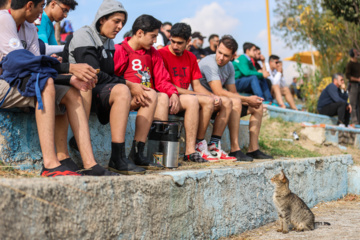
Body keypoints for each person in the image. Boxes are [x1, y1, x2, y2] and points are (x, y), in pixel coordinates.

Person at [0, 0, 116, 176]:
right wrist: (68, 68)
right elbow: (19, 62)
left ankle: (90, 164)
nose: (41, 13)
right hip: (4, 83)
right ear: (29, 5)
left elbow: (37, 66)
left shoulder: (30, 28)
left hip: (17, 81)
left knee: (71, 92)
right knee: (45, 83)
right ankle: (50, 165)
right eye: (40, 7)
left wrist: (69, 80)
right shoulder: (3, 19)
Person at [64, 0, 159, 174]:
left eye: (122, 23)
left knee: (150, 94)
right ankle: (117, 157)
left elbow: (110, 75)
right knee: (123, 90)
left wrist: (134, 87)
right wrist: (129, 84)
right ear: (102, 19)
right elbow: (93, 74)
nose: (120, 26)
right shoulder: (84, 35)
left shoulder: (108, 41)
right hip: (81, 93)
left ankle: (137, 153)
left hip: (99, 93)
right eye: (116, 21)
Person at [114, 15, 207, 163]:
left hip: (148, 99)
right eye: (153, 36)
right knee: (154, 95)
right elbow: (112, 79)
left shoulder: (153, 53)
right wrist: (131, 87)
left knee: (162, 96)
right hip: (128, 99)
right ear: (139, 33)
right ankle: (141, 152)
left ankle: (156, 152)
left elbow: (162, 79)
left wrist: (173, 93)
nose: (155, 41)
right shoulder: (120, 50)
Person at [158, 23, 236, 162]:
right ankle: (194, 148)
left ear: (188, 41)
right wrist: (199, 95)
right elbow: (165, 84)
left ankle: (206, 145)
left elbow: (197, 85)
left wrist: (212, 96)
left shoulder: (191, 57)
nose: (175, 46)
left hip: (185, 96)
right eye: (173, 41)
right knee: (199, 100)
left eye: (180, 43)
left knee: (217, 101)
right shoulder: (161, 54)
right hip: (169, 95)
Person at [198, 35, 273, 160]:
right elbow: (219, 91)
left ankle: (253, 149)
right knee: (236, 102)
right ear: (216, 48)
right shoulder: (209, 62)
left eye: (226, 55)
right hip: (204, 103)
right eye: (219, 52)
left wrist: (253, 101)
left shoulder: (230, 67)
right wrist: (247, 99)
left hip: (219, 103)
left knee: (256, 107)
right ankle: (235, 149)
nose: (221, 58)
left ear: (233, 56)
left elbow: (233, 92)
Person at [345, 48, 360, 125]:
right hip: (353, 86)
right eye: (355, 52)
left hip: (359, 85)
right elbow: (347, 76)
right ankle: (355, 122)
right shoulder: (349, 64)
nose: (357, 53)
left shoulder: (358, 64)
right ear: (352, 54)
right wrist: (357, 79)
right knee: (353, 105)